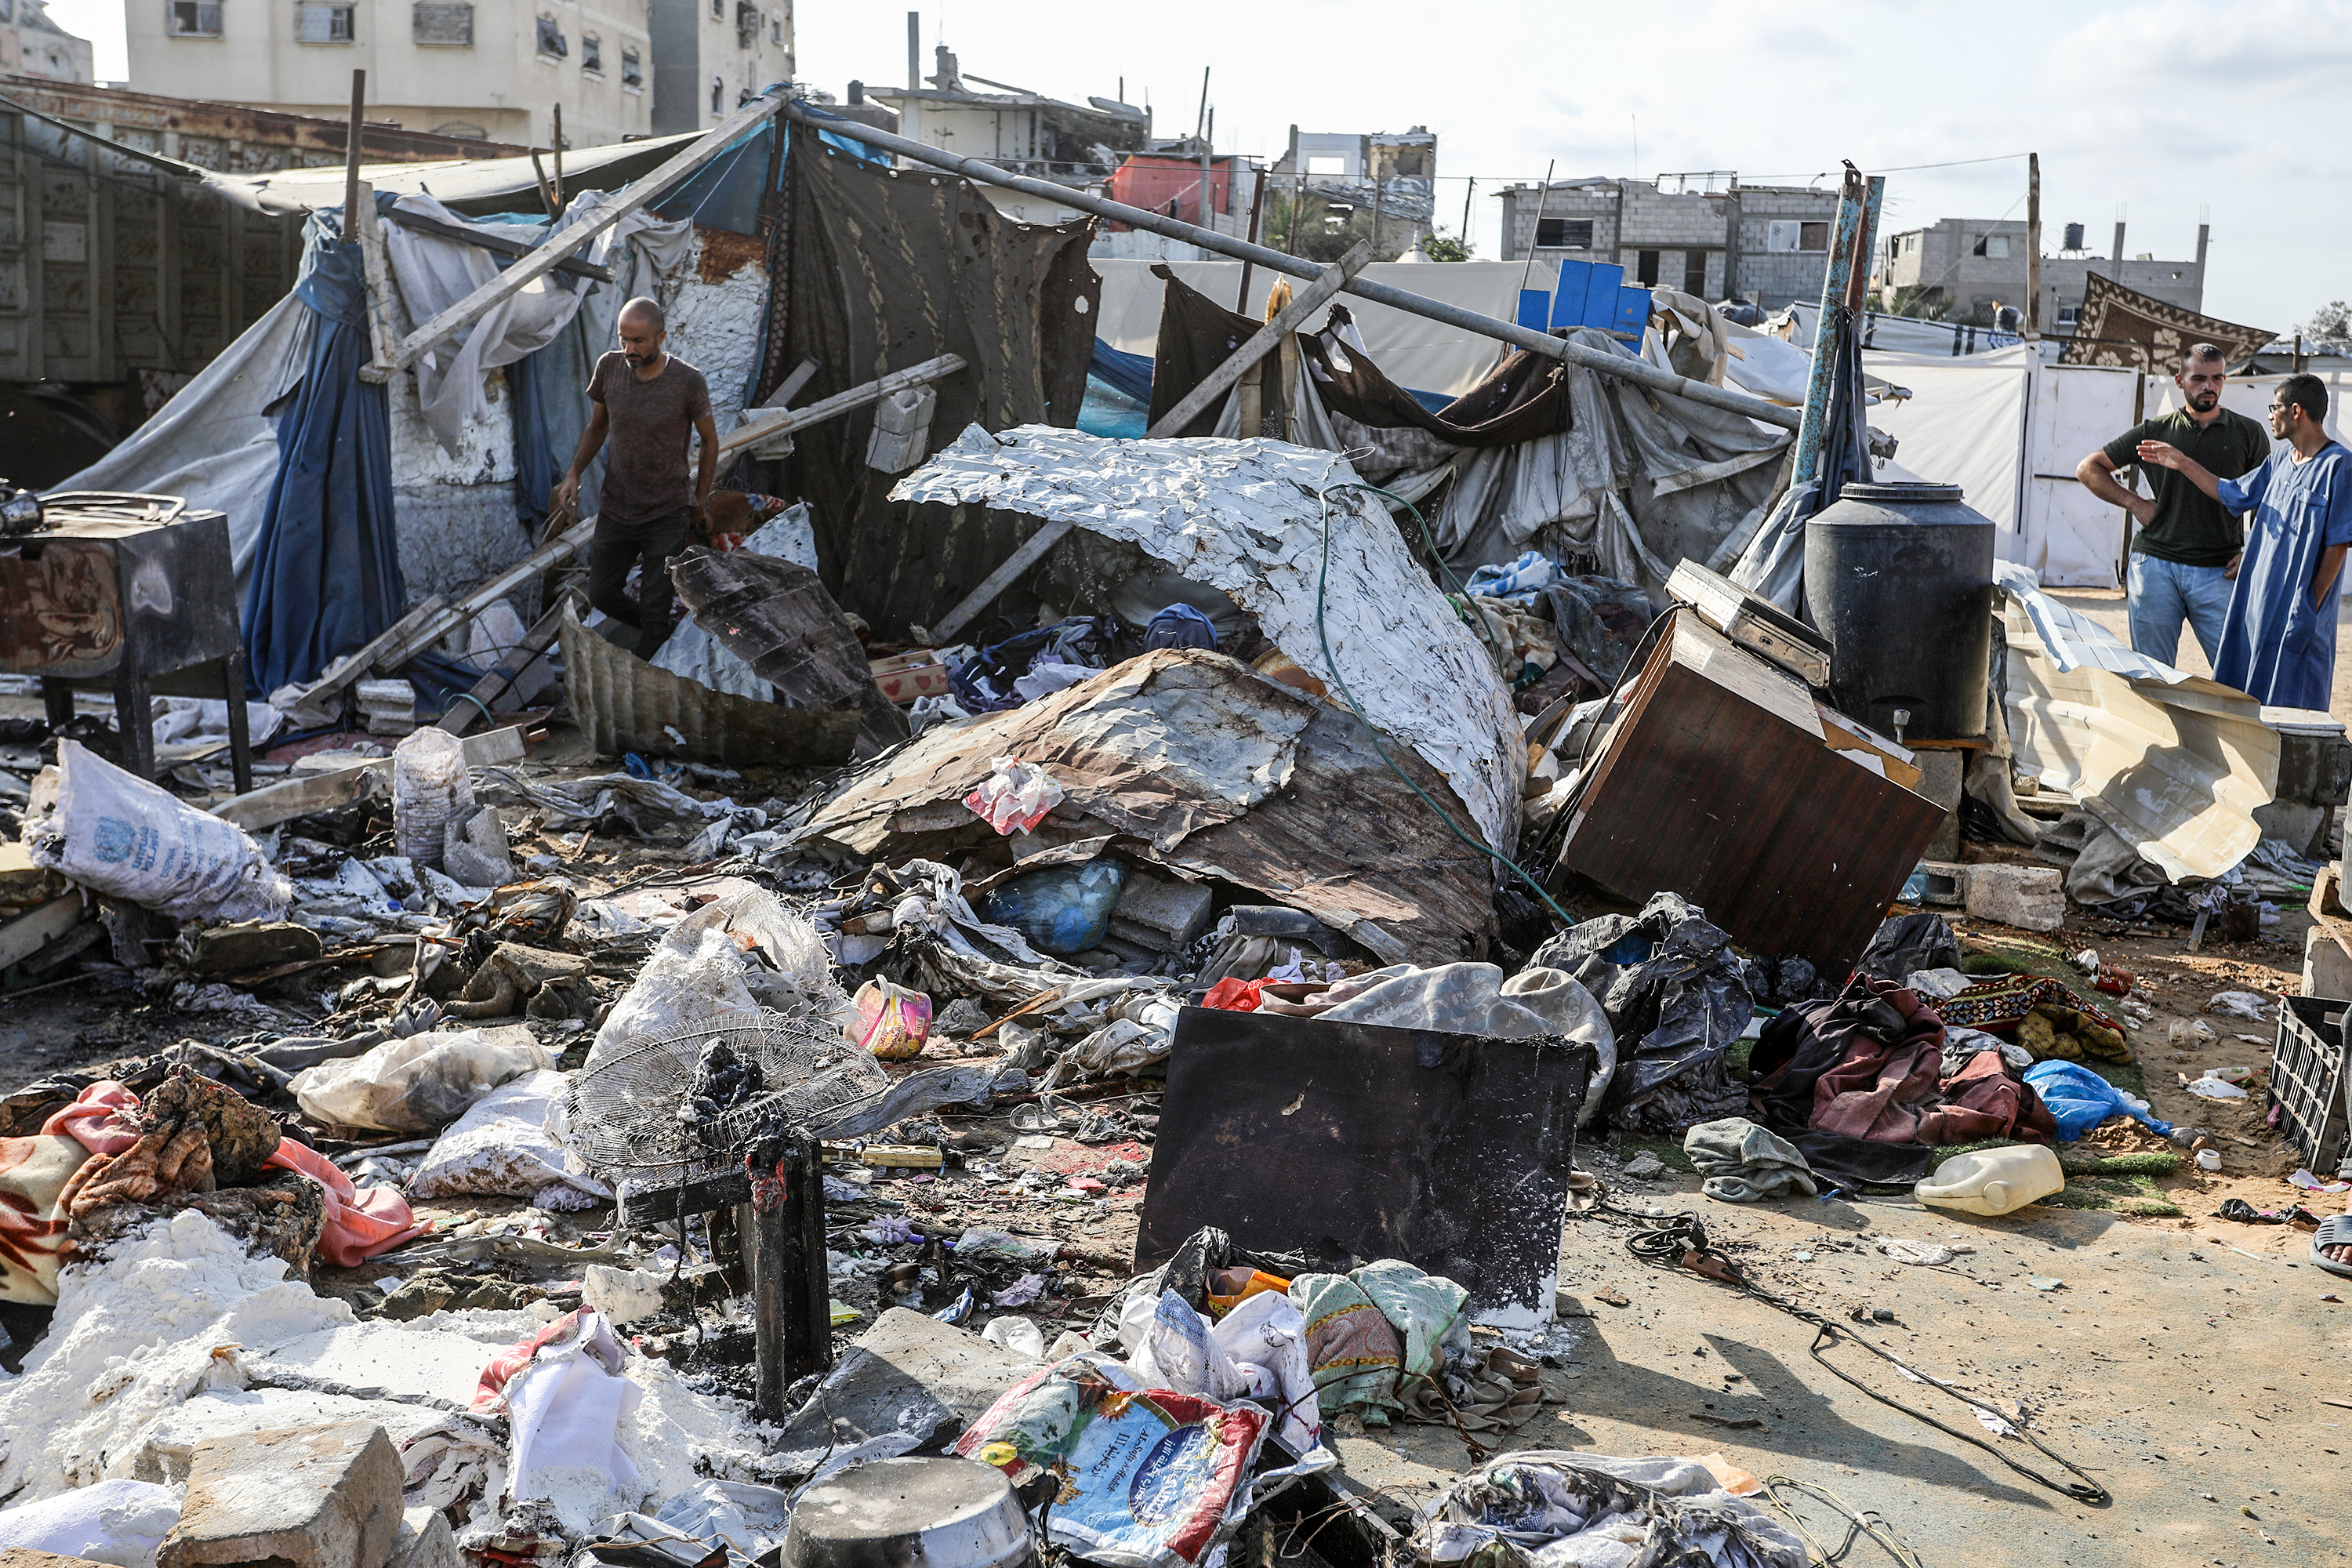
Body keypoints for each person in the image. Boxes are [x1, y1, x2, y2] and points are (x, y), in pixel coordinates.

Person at [2136, 373, 2352, 711]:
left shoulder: (2339, 465)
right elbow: (2231, 492)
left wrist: (2308, 605)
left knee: (2292, 698)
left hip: (2296, 607)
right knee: (2245, 693)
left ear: (2296, 411)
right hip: (2256, 601)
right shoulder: (2280, 461)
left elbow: (2338, 544)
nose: (2270, 415)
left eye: (2275, 407)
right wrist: (2182, 463)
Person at [2076, 343, 2270, 667]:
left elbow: (2266, 499)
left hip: (2220, 570)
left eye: (2218, 378)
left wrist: (2252, 550)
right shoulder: (2156, 432)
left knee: (2239, 672)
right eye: (2199, 379)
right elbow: (2088, 468)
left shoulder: (2249, 433)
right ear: (2180, 381)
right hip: (2155, 566)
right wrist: (2135, 503)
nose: (2209, 386)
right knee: (2153, 674)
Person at [551, 297, 716, 661]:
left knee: (656, 606)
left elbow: (710, 441)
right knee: (603, 594)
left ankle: (649, 683)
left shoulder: (688, 382)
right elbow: (597, 428)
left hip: (666, 510)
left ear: (661, 337)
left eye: (639, 341)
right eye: (624, 339)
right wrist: (573, 474)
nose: (629, 349)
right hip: (617, 506)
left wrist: (699, 500)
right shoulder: (609, 368)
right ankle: (665, 635)